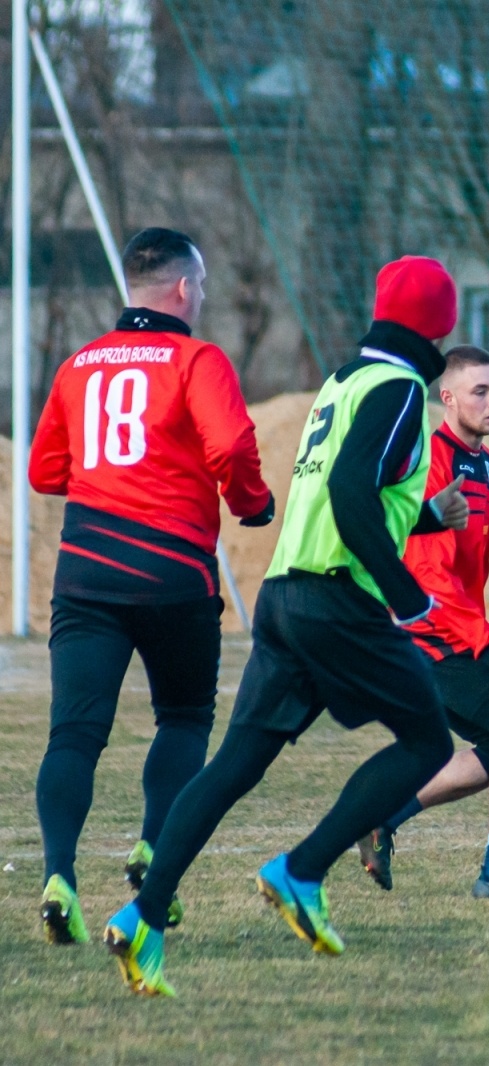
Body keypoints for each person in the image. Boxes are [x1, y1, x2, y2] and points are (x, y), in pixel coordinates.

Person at [103, 256, 470, 996]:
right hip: (340, 602)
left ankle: (142, 916)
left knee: (235, 765)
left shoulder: (344, 380)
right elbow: (349, 495)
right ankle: (300, 871)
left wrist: (426, 516)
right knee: (429, 742)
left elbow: (357, 497)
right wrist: (408, 597)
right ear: (442, 326)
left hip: (284, 597)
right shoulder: (400, 388)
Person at [29, 227, 274, 946]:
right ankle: (149, 851)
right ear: (182, 288)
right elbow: (230, 444)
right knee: (184, 717)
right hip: (173, 573)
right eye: (199, 283)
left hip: (86, 574)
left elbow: (46, 471)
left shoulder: (80, 366)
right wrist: (250, 502)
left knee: (74, 732)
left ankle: (58, 877)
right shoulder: (197, 359)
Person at [355, 345, 489, 901]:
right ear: (446, 397)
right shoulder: (432, 458)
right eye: (481, 391)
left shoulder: (486, 463)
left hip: (450, 627)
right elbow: (426, 569)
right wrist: (483, 637)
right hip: (429, 632)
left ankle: (382, 817)